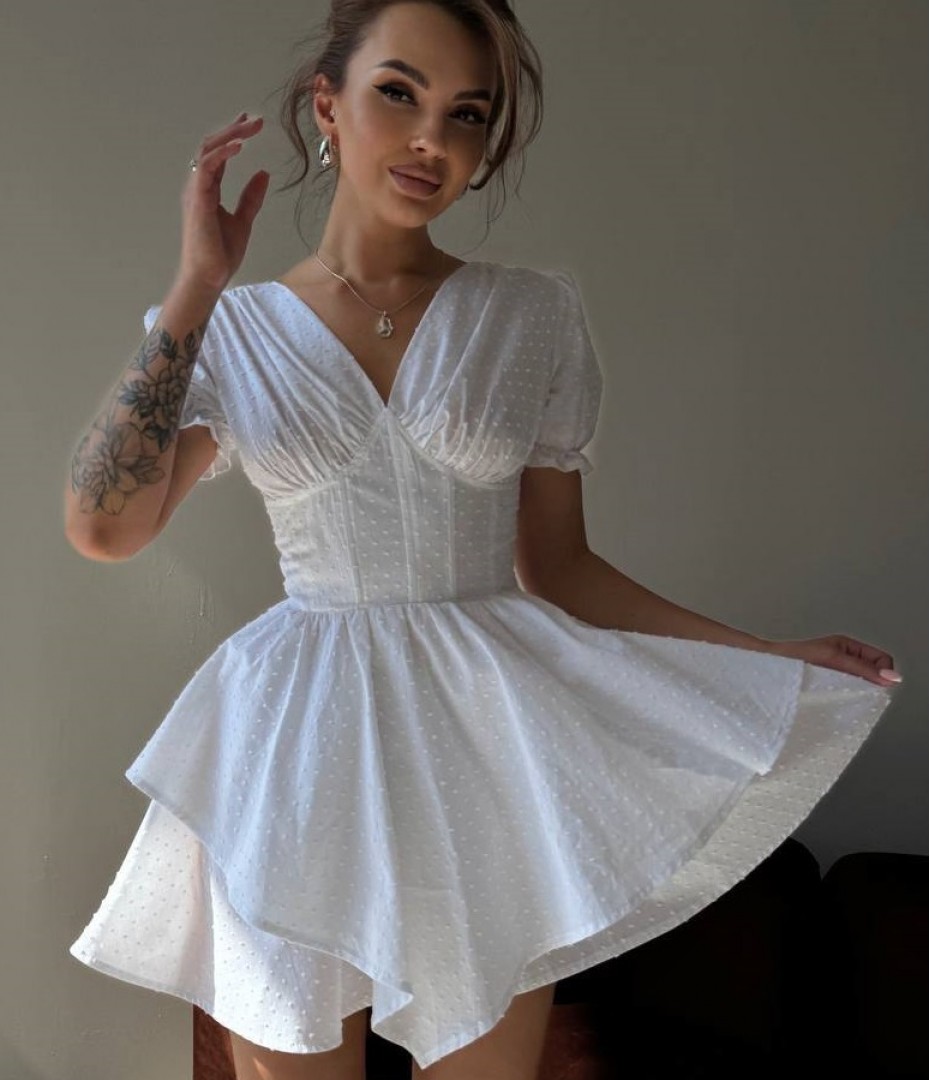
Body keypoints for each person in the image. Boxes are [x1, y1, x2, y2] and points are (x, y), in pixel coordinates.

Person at [64, 2, 901, 1078]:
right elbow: (105, 527)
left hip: (482, 758)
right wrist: (195, 287)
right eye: (398, 93)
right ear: (327, 106)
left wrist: (768, 660)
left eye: (467, 113)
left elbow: (561, 570)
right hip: (296, 753)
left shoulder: (530, 315)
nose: (432, 139)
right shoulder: (234, 329)